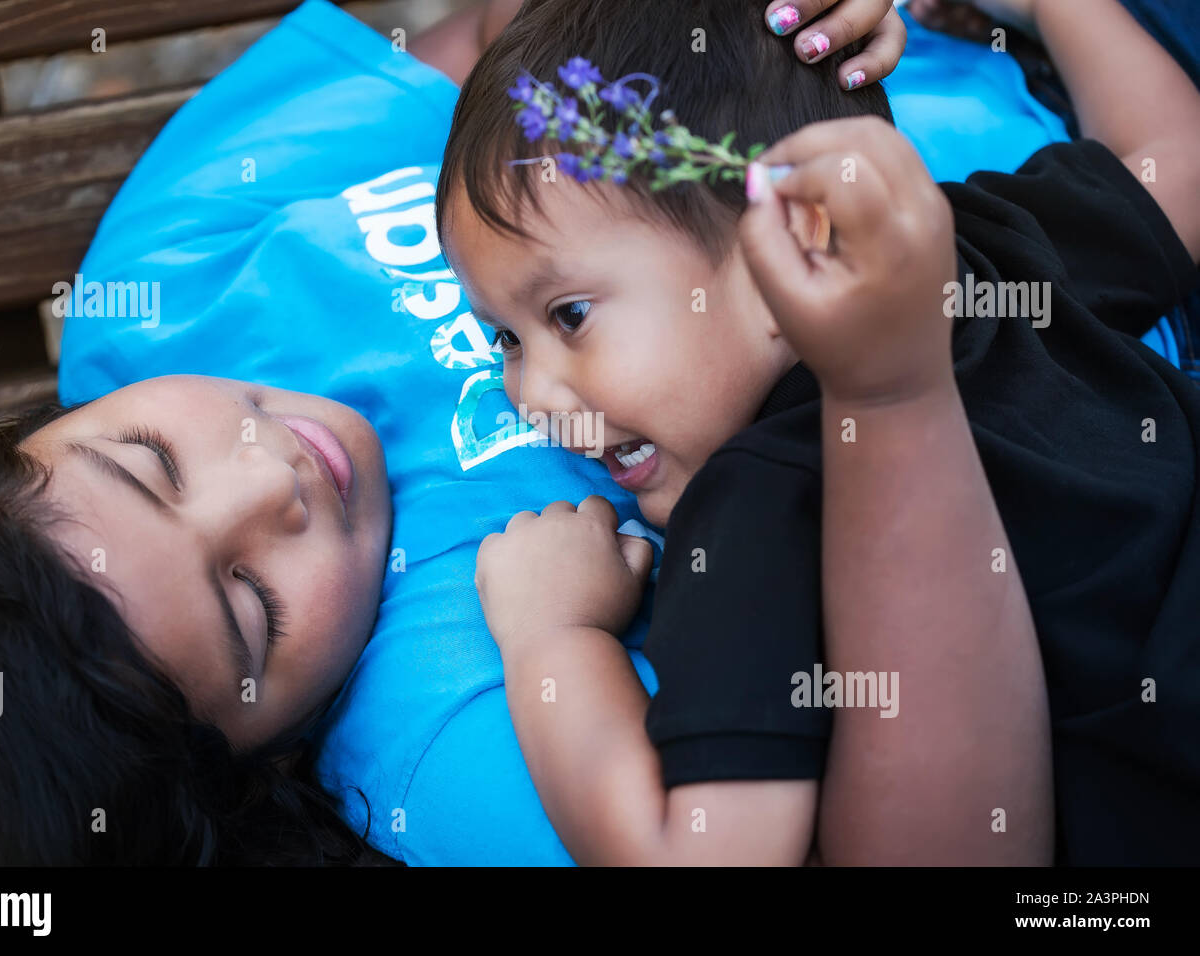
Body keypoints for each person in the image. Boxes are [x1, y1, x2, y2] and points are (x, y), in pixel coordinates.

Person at [0, 0, 906, 865]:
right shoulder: (454, 740)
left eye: (151, 461)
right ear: (262, 758)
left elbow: (496, 41)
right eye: (251, 605)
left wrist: (757, 31)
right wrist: (564, 640)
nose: (270, 479)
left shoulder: (160, 291)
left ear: (57, 422)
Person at [436, 0, 1200, 864]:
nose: (529, 393)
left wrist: (555, 638)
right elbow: (1174, 160)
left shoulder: (761, 501)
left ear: (791, 238)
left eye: (568, 315)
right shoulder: (984, 251)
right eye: (504, 338)